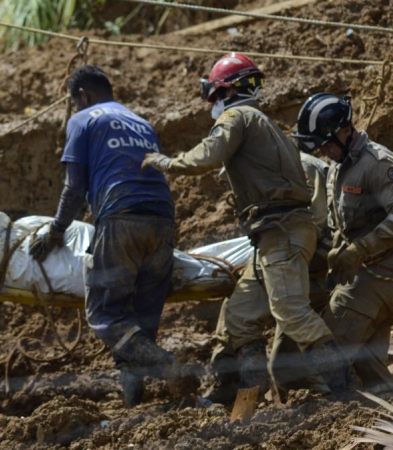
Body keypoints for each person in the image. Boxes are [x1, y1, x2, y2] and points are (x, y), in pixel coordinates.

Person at [143, 53, 352, 397]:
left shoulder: (236, 116)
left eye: (214, 95)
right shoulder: (268, 126)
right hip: (274, 236)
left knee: (290, 311)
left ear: (226, 91)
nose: (213, 104)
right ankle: (244, 401)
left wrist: (166, 162)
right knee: (239, 316)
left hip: (281, 233)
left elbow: (207, 156)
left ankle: (343, 385)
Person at [29, 65, 186, 407]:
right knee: (140, 321)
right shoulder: (142, 123)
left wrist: (56, 231)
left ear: (82, 95)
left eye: (74, 102)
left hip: (121, 217)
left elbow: (73, 188)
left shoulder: (83, 119)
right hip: (162, 220)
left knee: (106, 313)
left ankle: (165, 363)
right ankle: (134, 405)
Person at [292, 93, 393, 397]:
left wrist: (359, 250)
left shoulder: (377, 163)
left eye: (326, 143)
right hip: (368, 278)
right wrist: (337, 248)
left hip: (375, 277)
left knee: (319, 371)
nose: (323, 151)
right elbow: (343, 222)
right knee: (373, 375)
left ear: (344, 130)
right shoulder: (338, 166)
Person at [206, 151, 334, 403]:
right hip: (271, 251)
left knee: (291, 327)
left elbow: (318, 223)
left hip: (304, 259)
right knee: (236, 314)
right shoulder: (256, 174)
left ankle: (340, 388)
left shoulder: (299, 167)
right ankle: (241, 395)